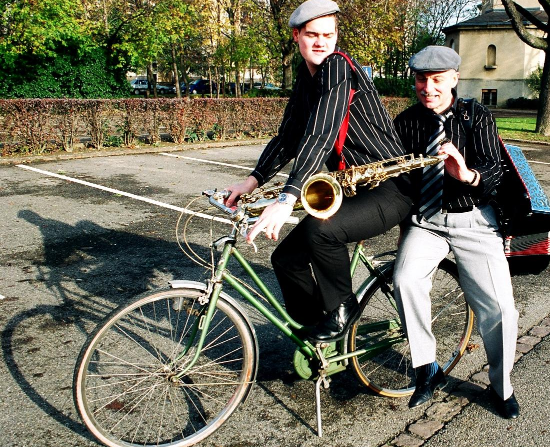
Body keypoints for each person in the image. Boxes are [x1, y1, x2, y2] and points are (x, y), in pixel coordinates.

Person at [224, 0, 412, 343]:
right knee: (286, 259)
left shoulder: (338, 67)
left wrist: (287, 197)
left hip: (392, 187)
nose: (322, 42)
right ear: (296, 36)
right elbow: (290, 136)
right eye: (313, 34)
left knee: (320, 231)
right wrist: (252, 180)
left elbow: (321, 133)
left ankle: (343, 308)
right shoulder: (306, 77)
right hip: (355, 188)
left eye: (329, 34)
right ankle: (315, 337)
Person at [392, 45, 520, 419]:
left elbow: (493, 171)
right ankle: (427, 368)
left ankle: (501, 385)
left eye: (436, 79)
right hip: (427, 222)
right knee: (404, 280)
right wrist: (404, 228)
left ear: (454, 78)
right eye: (421, 79)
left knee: (499, 309)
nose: (427, 87)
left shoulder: (476, 116)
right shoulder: (407, 121)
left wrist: (465, 174)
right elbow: (403, 183)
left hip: (474, 222)